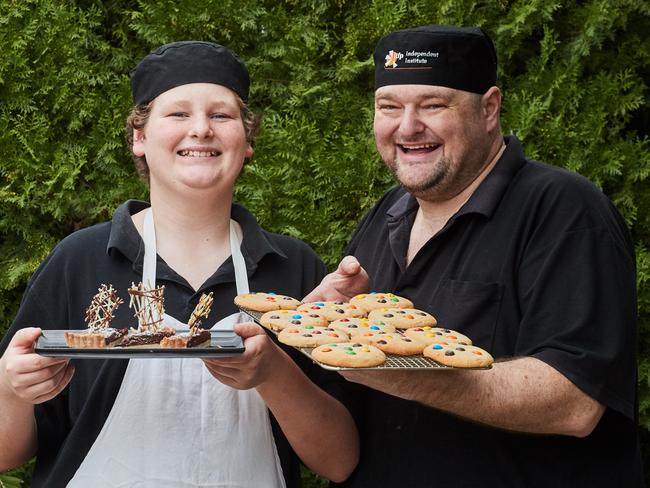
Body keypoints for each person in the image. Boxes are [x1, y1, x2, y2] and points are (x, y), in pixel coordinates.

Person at [0, 41, 358, 487]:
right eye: (178, 114)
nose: (201, 129)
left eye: (221, 115)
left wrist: (273, 374)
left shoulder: (293, 269)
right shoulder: (80, 261)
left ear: (246, 142)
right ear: (140, 138)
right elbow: (5, 453)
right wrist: (12, 390)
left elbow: (339, 460)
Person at [305, 26, 643, 486]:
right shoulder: (386, 214)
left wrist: (395, 369)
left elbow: (575, 401)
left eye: (433, 105)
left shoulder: (563, 210)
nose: (407, 127)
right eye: (389, 107)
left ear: (489, 108)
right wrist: (334, 326)